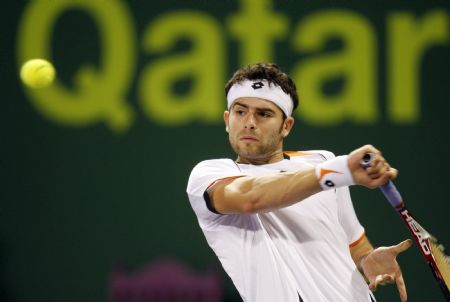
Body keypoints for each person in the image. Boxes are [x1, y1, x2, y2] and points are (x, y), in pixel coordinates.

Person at [186, 63, 412, 302]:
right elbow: (249, 197)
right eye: (240, 112)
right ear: (226, 119)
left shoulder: (322, 161)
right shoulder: (209, 174)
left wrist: (368, 260)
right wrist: (338, 171)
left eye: (264, 114)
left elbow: (355, 245)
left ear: (286, 126)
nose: (249, 122)